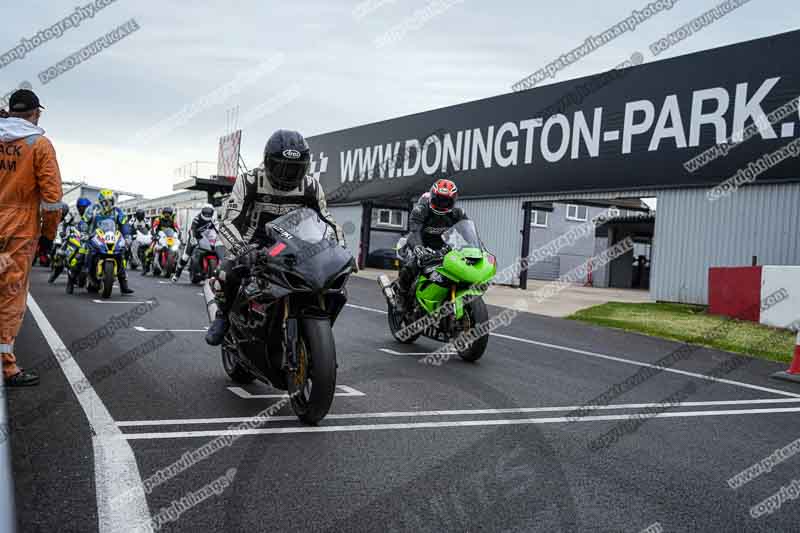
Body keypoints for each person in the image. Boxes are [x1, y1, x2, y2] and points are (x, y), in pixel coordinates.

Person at [205, 129, 344, 346]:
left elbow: (327, 220)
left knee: (333, 285)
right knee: (227, 273)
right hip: (253, 246)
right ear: (268, 162)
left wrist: (340, 249)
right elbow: (228, 220)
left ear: (305, 167)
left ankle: (316, 330)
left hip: (295, 248)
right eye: (282, 167)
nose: (288, 174)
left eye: (295, 169)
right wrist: (242, 250)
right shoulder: (249, 181)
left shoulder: (311, 186)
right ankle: (223, 317)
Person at [0, 89, 63, 387]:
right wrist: (49, 237)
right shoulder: (39, 145)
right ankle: (7, 367)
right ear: (36, 113)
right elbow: (52, 200)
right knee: (10, 297)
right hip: (18, 233)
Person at [395, 178, 467, 313]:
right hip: (420, 242)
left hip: (442, 247)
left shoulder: (458, 213)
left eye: (446, 200)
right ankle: (401, 296)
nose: (442, 204)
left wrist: (474, 248)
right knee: (412, 265)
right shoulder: (420, 210)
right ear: (432, 196)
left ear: (453, 200)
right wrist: (419, 249)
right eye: (439, 199)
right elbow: (414, 231)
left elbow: (467, 232)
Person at [83, 189, 134, 294]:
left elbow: (124, 223)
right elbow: (84, 221)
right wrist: (83, 231)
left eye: (110, 201)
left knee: (120, 254)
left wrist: (127, 235)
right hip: (94, 236)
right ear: (101, 202)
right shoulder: (92, 209)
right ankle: (85, 273)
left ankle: (124, 285)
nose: (108, 204)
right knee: (85, 252)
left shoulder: (117, 211)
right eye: (106, 201)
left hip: (111, 236)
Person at [172, 203, 219, 282]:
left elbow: (217, 231)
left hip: (207, 237)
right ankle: (177, 274)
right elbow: (192, 230)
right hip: (195, 236)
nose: (207, 214)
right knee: (186, 256)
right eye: (205, 212)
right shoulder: (197, 218)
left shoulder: (214, 219)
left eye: (209, 212)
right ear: (202, 211)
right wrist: (193, 239)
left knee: (216, 250)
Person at [144, 206, 180, 274]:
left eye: (169, 213)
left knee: (177, 249)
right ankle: (147, 267)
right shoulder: (158, 219)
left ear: (171, 214)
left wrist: (178, 234)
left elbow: (176, 228)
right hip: (160, 237)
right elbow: (154, 227)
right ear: (163, 213)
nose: (167, 215)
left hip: (169, 238)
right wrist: (154, 234)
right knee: (150, 249)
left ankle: (175, 265)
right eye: (166, 213)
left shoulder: (173, 219)